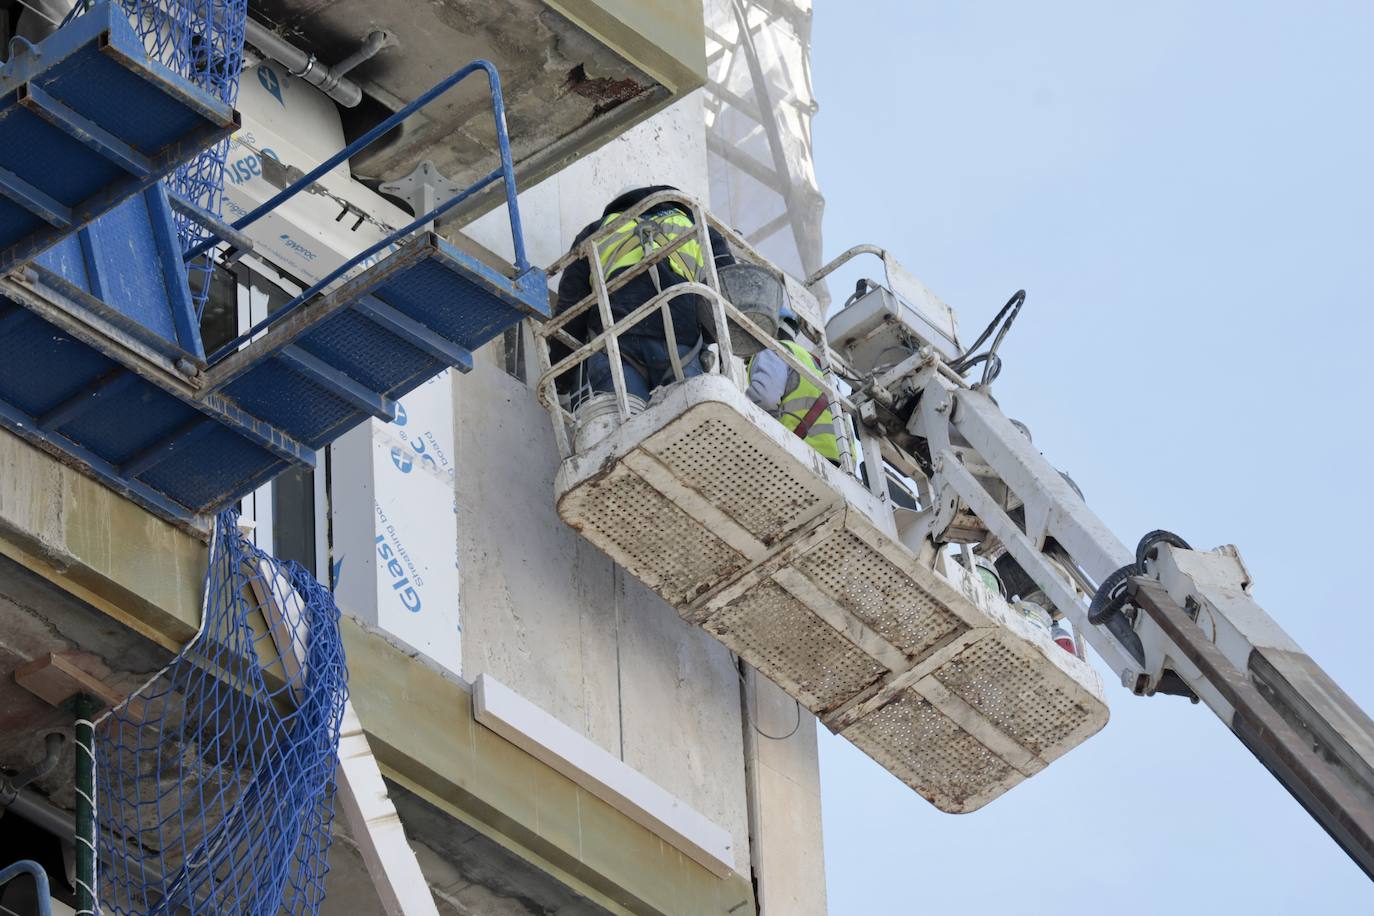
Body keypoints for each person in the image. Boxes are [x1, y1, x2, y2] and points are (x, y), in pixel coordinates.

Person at [555, 185, 734, 406]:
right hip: (680, 342)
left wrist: (561, 380)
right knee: (686, 428)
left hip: (616, 343)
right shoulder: (696, 226)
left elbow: (571, 311)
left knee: (624, 429)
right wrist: (707, 338)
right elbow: (728, 294)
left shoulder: (596, 232)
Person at [745, 304, 841, 463]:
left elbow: (764, 398)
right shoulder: (815, 363)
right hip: (839, 464)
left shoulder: (773, 350)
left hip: (801, 452)